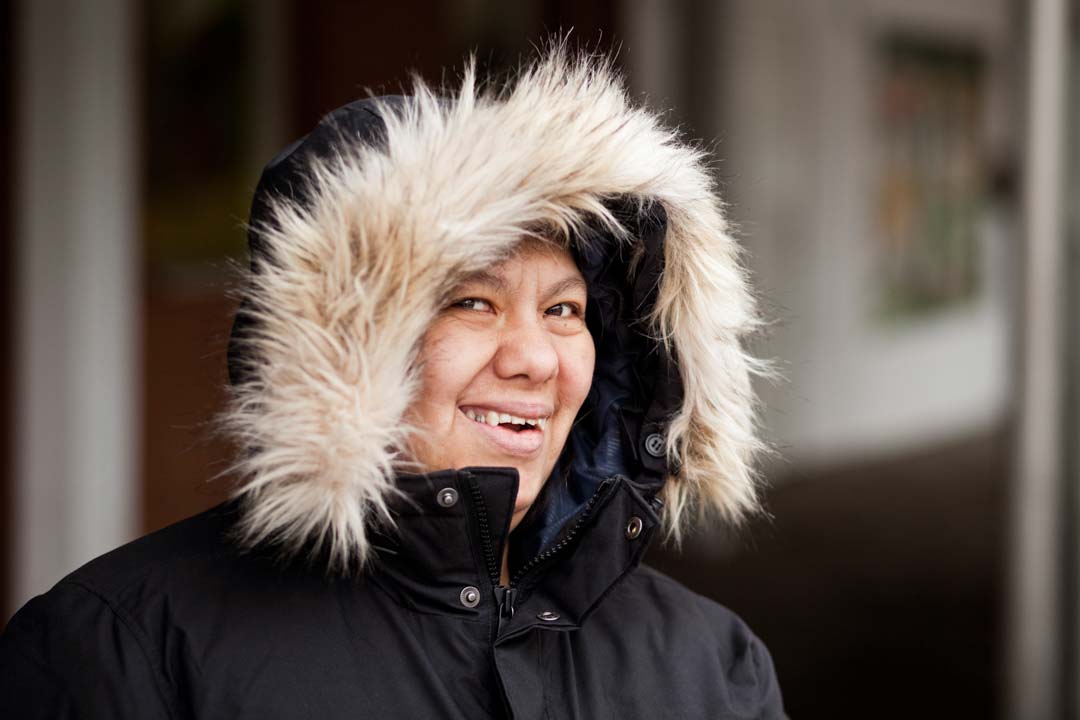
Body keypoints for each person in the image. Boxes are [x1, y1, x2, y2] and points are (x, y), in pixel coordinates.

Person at [0, 47, 786, 718]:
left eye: (565, 309)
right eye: (472, 301)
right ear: (344, 343)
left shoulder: (711, 668)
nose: (536, 359)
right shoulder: (124, 650)